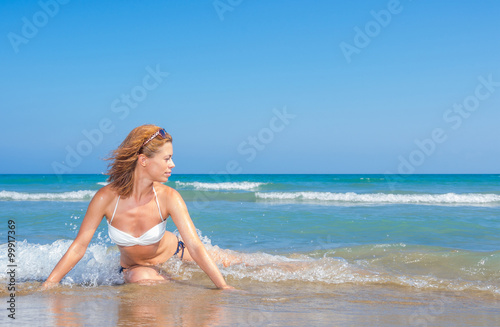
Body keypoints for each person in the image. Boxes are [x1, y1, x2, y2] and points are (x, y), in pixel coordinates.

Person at [43, 125, 234, 290]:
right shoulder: (106, 198)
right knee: (140, 278)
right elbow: (79, 247)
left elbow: (195, 246)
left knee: (239, 263)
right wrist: (49, 284)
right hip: (134, 268)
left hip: (177, 253)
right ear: (143, 160)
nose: (173, 164)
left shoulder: (169, 197)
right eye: (167, 158)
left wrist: (223, 286)